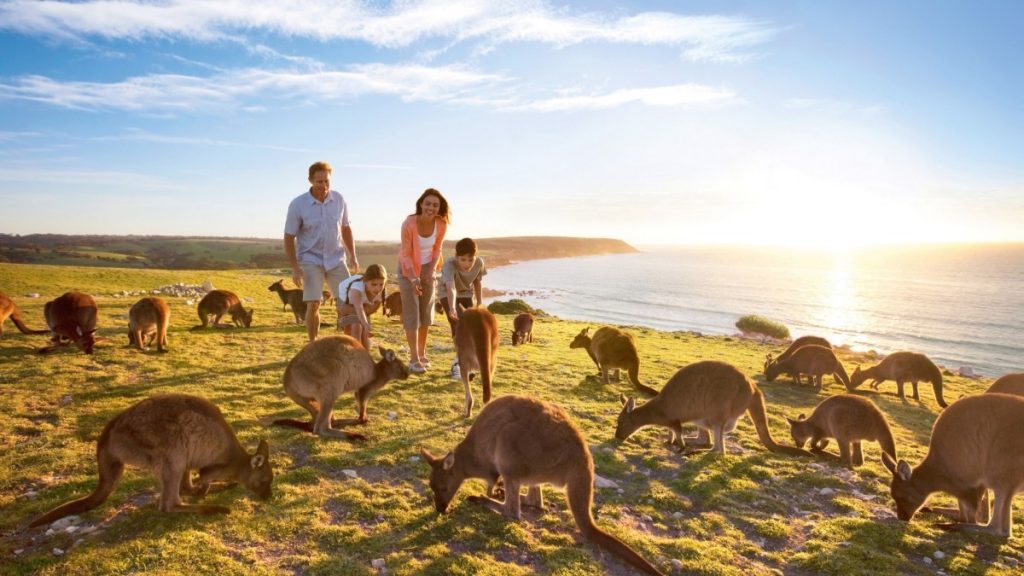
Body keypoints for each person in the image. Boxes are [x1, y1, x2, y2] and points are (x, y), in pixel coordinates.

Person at [284, 161, 359, 342]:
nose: (323, 186)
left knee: (347, 303)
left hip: (336, 259)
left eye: (327, 181)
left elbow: (346, 229)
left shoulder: (339, 200)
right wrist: (295, 268)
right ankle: (313, 344)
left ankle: (349, 344)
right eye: (319, 182)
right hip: (311, 259)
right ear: (310, 180)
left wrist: (353, 256)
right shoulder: (298, 204)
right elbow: (288, 237)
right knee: (314, 303)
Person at [397, 188, 449, 374]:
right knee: (412, 313)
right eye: (427, 204)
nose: (431, 208)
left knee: (425, 312)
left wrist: (431, 269)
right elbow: (405, 253)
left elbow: (437, 249)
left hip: (428, 269)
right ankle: (413, 358)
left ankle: (422, 351)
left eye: (435, 205)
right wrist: (412, 277)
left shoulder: (441, 224)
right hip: (407, 270)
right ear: (421, 204)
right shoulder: (409, 223)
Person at [438, 237, 487, 379]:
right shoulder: (449, 265)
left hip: (466, 293)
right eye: (463, 260)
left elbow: (477, 283)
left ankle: (467, 362)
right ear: (456, 257)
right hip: (447, 294)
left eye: (470, 259)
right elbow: (450, 287)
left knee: (472, 327)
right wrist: (452, 307)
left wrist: (480, 304)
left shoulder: (479, 263)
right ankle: (457, 365)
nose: (467, 264)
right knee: (458, 324)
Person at [336, 264, 387, 350]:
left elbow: (372, 309)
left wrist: (366, 323)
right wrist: (365, 324)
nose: (378, 288)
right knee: (356, 327)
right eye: (374, 284)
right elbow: (359, 308)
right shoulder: (356, 288)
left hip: (362, 306)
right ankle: (356, 355)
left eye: (381, 284)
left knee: (365, 334)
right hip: (346, 303)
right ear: (365, 281)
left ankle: (366, 357)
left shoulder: (382, 291)